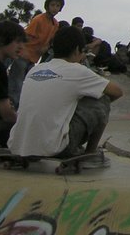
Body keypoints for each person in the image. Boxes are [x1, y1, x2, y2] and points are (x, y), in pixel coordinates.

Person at [9, 25, 123, 168]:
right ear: (77, 50)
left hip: (19, 145)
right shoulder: (77, 70)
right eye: (82, 53)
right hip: (56, 148)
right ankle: (90, 154)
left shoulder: (36, 69)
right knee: (102, 99)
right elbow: (117, 91)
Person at [8, 0, 64, 107]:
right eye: (52, 5)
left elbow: (50, 40)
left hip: (33, 58)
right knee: (17, 82)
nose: (55, 8)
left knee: (28, 82)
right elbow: (26, 36)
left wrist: (46, 47)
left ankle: (21, 104)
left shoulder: (55, 24)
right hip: (24, 54)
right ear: (47, 6)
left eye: (58, 6)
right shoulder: (38, 20)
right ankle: (13, 104)